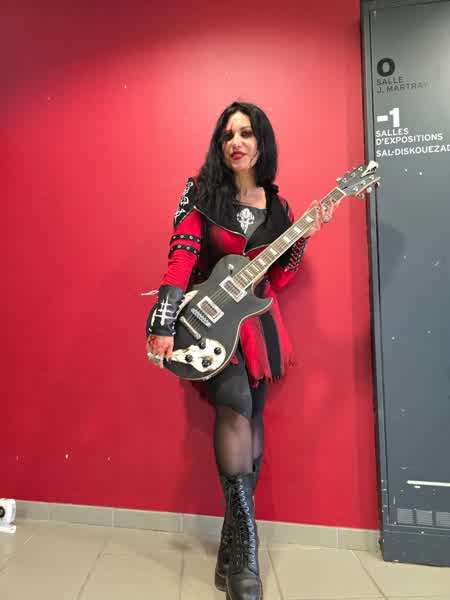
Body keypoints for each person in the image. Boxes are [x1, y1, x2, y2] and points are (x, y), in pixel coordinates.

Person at [145, 101, 336, 600]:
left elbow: (281, 277)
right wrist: (163, 320)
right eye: (228, 134)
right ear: (220, 143)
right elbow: (181, 257)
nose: (237, 142)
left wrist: (303, 238)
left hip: (261, 327)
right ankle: (247, 554)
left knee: (254, 419)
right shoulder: (202, 192)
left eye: (246, 133)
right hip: (212, 326)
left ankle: (229, 552)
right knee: (235, 407)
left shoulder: (279, 207)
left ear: (260, 141)